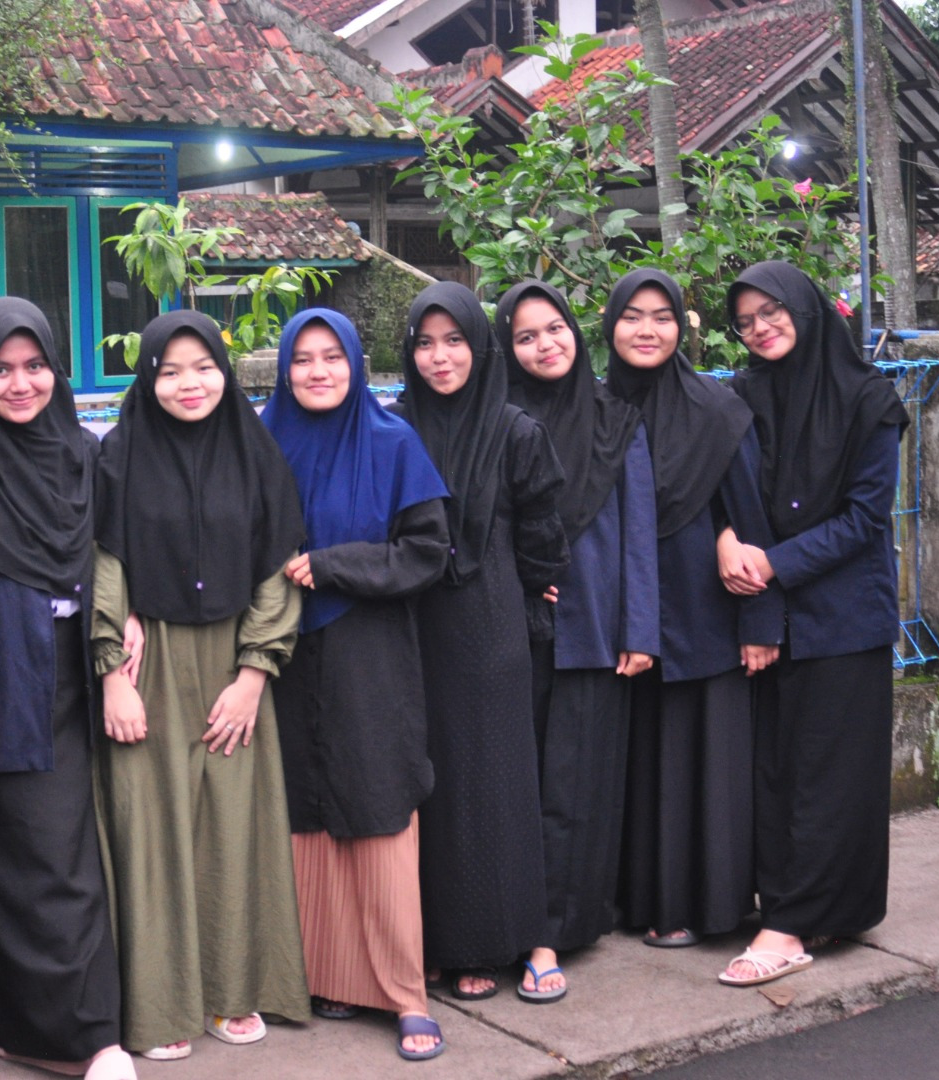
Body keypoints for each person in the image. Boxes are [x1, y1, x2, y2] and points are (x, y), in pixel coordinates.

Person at [0, 297, 135, 1080]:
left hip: (76, 673)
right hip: (0, 681)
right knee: (38, 861)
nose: (20, 384)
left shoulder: (81, 450)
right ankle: (83, 1039)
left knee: (61, 853)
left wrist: (125, 622)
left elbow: (111, 552)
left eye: (35, 365)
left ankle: (31, 1032)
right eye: (0, 370)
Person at [92, 309, 310, 1060]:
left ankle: (230, 991)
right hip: (145, 661)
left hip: (233, 661)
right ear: (147, 378)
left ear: (225, 370)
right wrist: (111, 676)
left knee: (232, 829)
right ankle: (161, 1007)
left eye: (204, 367)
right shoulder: (118, 455)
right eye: (170, 370)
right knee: (151, 834)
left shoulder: (256, 454)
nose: (190, 384)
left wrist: (254, 673)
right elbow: (104, 562)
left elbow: (278, 568)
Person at [261, 308, 450, 1060]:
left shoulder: (392, 441)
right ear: (283, 370)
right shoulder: (261, 442)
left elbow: (426, 552)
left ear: (355, 363)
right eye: (302, 359)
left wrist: (335, 564)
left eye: (332, 357)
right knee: (303, 811)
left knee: (376, 805)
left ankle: (404, 994)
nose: (317, 372)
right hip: (282, 653)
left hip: (369, 654)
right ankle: (327, 977)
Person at [716, 261, 908, 987]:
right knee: (774, 772)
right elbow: (724, 493)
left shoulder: (868, 399)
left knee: (831, 776)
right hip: (768, 611)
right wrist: (726, 542)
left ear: (804, 307)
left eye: (772, 311)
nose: (760, 328)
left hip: (844, 615)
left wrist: (772, 564)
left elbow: (864, 519)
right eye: (745, 321)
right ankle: (802, 907)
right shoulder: (743, 396)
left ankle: (791, 926)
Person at [396, 280, 569, 1002]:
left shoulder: (515, 431)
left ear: (479, 345)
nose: (440, 358)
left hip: (492, 626)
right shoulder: (395, 428)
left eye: (455, 341)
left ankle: (499, 941)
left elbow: (543, 539)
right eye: (425, 344)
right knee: (430, 787)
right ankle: (440, 942)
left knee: (495, 786)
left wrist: (530, 598)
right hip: (413, 627)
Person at [604, 268, 784, 954]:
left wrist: (760, 622)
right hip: (626, 616)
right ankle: (638, 900)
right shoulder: (597, 407)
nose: (647, 330)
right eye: (632, 316)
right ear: (610, 326)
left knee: (702, 764)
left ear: (681, 327)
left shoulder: (716, 409)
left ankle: (702, 905)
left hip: (706, 614)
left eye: (662, 317)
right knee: (640, 764)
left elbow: (751, 518)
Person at [499, 280, 658, 1003]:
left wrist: (639, 629)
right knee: (518, 785)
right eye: (525, 336)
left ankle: (558, 931)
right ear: (507, 348)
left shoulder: (616, 420)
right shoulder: (497, 420)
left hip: (595, 628)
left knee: (578, 786)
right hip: (513, 631)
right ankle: (509, 926)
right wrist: (522, 577)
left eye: (555, 328)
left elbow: (638, 533)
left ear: (574, 330)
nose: (545, 345)